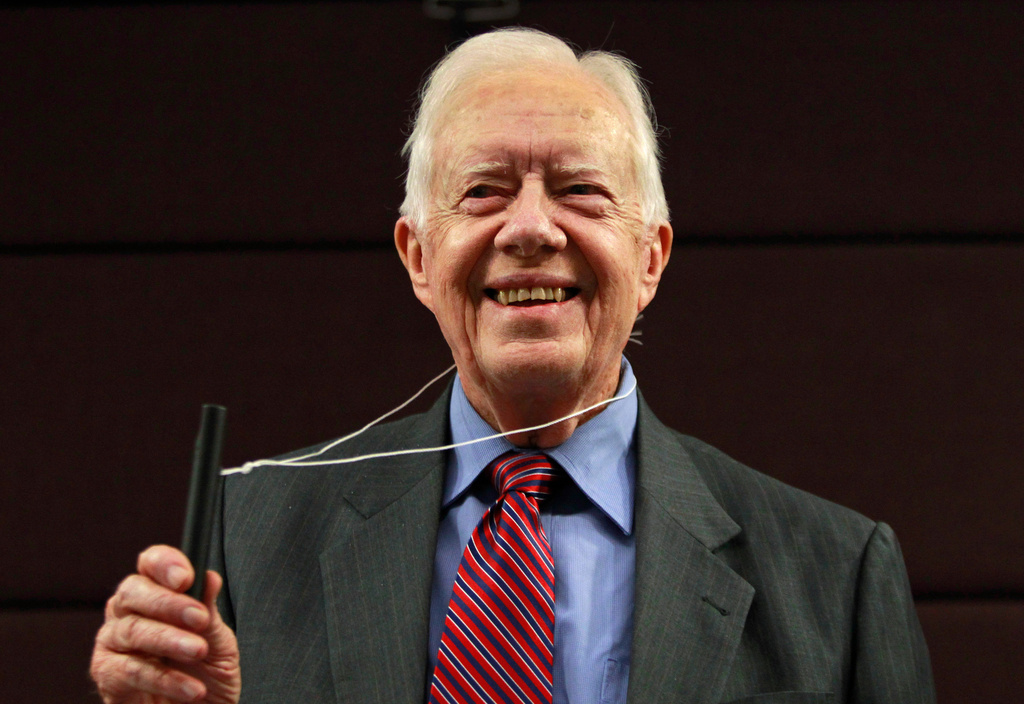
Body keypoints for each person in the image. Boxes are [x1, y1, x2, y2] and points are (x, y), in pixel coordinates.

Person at [90, 28, 935, 704]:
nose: (530, 227)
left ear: (651, 259)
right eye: (485, 190)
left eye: (580, 190)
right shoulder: (249, 537)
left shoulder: (838, 571)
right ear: (419, 256)